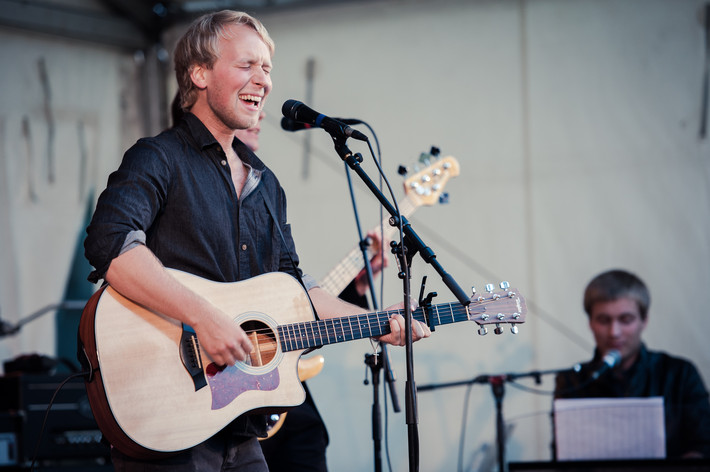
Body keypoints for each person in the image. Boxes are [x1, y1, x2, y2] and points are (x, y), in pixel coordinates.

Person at [84, 10, 430, 471]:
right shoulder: (159, 157)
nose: (263, 79)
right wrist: (204, 318)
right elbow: (111, 245)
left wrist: (375, 321)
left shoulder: (266, 184)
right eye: (247, 65)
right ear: (200, 73)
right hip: (169, 420)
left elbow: (296, 289)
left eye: (267, 67)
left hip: (242, 428)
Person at [554, 269, 710, 458]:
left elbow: (703, 445)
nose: (614, 332)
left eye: (626, 320)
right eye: (603, 320)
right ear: (590, 323)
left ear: (644, 321)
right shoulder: (572, 381)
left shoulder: (680, 374)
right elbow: (562, 456)